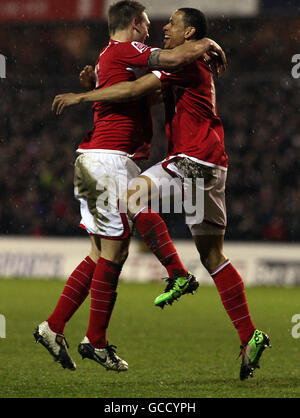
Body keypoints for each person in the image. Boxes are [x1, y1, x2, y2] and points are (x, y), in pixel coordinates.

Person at [52, 8, 270, 381]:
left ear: (190, 33)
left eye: (173, 24)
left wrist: (81, 97)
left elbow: (136, 88)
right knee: (214, 254)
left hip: (191, 158)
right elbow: (142, 96)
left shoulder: (184, 60)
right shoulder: (189, 64)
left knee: (130, 199)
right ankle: (251, 334)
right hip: (215, 165)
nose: (165, 28)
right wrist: (99, 83)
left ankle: (178, 275)